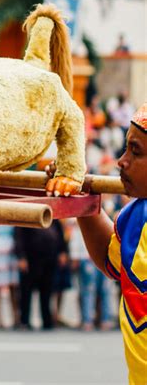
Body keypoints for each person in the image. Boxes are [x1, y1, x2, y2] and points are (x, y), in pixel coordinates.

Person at [77, 103, 147, 385]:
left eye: (136, 151)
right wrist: (81, 199)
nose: (122, 161)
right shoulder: (137, 216)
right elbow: (112, 257)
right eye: (126, 149)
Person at [15, 220, 69, 330]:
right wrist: (21, 257)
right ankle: (24, 321)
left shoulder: (53, 216)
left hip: (49, 258)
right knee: (26, 292)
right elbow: (19, 236)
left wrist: (63, 251)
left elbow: (60, 234)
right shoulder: (26, 214)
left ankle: (47, 320)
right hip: (30, 258)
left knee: (47, 292)